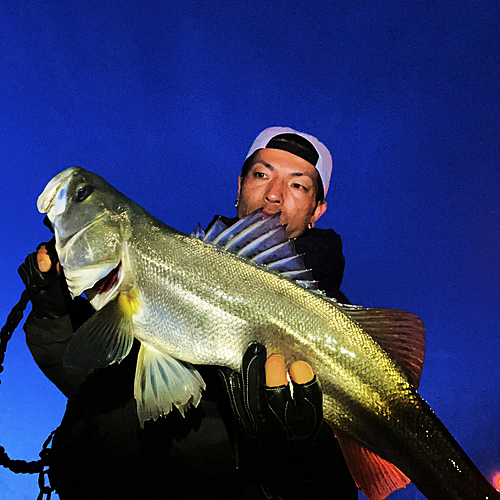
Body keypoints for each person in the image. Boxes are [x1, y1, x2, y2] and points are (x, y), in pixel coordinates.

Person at [18, 127, 357, 499]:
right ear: (240, 184)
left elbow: (339, 490)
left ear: (317, 210)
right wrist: (53, 306)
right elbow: (82, 378)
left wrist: (309, 459)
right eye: (262, 174)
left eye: (298, 186)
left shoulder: (338, 321)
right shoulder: (174, 268)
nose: (273, 194)